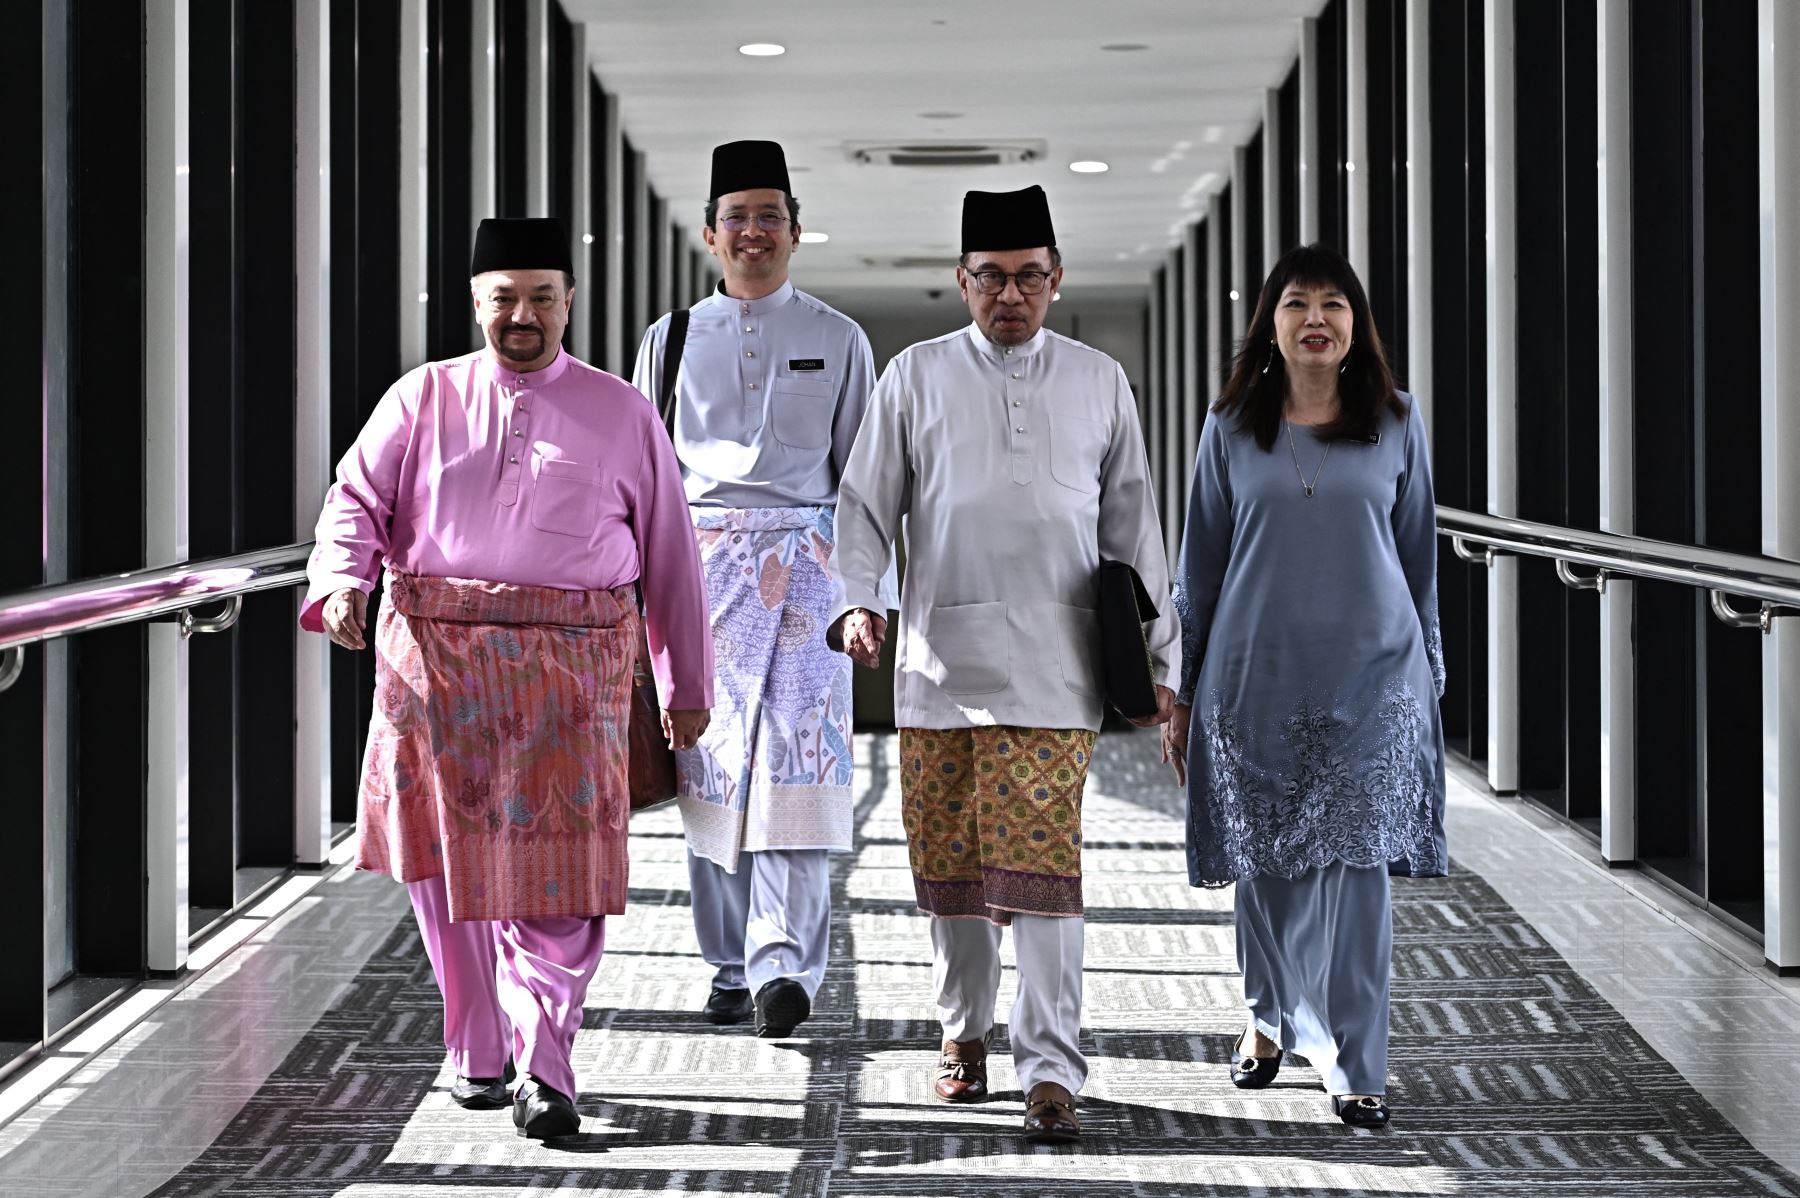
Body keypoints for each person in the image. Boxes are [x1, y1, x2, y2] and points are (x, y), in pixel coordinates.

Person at [301, 217, 713, 1141]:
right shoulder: (421, 397)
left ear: (570, 302)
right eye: (503, 299)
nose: (521, 316)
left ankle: (548, 1064)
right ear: (475, 304)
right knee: (441, 871)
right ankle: (476, 1045)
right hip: (434, 670)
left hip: (575, 673)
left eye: (540, 298)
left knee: (560, 879)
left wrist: (684, 685)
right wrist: (338, 583)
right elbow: (354, 502)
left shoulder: (622, 411)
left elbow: (673, 556)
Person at [830, 185, 1178, 1144]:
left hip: (1058, 668)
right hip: (941, 665)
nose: (1010, 295)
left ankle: (1052, 1068)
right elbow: (863, 507)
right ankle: (963, 1034)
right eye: (991, 277)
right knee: (951, 870)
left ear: (1057, 280)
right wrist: (861, 600)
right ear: (962, 281)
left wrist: (1163, 659)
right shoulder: (915, 376)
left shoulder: (1100, 379)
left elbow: (1133, 530)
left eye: (1029, 277)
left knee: (1040, 871)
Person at [1163, 242, 1446, 1130]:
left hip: (1375, 679)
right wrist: (1181, 685)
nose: (1315, 319)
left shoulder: (1396, 421)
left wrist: (1430, 669)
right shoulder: (1231, 427)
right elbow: (1198, 568)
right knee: (1268, 862)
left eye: (1333, 304)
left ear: (1356, 327)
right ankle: (1268, 1020)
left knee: (1358, 869)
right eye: (1296, 303)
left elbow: (1418, 554)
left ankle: (1357, 1059)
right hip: (1252, 678)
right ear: (1271, 326)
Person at [631, 140, 878, 1040]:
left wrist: (865, 596)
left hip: (810, 576)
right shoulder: (669, 340)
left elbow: (865, 483)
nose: (753, 231)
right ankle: (728, 962)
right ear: (709, 234)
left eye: (769, 215)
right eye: (736, 217)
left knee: (798, 767)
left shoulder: (840, 338)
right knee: (711, 766)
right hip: (700, 579)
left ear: (795, 232)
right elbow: (641, 482)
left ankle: (785, 964)